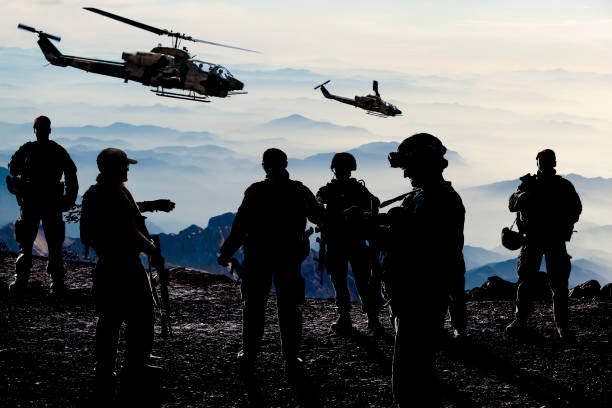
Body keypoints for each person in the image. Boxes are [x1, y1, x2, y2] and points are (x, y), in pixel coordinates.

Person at [217, 148, 321, 403]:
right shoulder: (299, 190)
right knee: (289, 307)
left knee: (253, 306)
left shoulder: (256, 191)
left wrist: (226, 252)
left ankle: (250, 354)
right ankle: (291, 356)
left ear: (265, 166)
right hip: (289, 257)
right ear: (285, 164)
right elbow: (319, 217)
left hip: (258, 257)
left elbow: (240, 226)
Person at [379, 133, 466, 407]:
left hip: (421, 296)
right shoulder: (425, 197)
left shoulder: (437, 201)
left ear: (423, 165)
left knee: (409, 375)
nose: (405, 173)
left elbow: (415, 244)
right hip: (412, 294)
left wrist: (376, 228)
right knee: (419, 370)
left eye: (409, 167)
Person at [80, 148, 160, 406]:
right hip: (126, 266)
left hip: (106, 266)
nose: (128, 170)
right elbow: (129, 229)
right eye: (124, 166)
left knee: (109, 320)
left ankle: (105, 370)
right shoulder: (116, 194)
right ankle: (134, 370)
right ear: (115, 168)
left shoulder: (92, 194)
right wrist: (150, 248)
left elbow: (87, 234)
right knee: (142, 318)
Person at [505, 149, 581, 339]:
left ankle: (559, 325)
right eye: (543, 160)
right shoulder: (530, 184)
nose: (545, 164)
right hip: (535, 238)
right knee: (531, 282)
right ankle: (524, 321)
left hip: (550, 239)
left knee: (556, 283)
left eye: (547, 161)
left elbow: (575, 209)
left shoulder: (561, 185)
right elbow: (512, 204)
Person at [6, 115, 78, 295]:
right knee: (49, 243)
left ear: (36, 130)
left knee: (29, 241)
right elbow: (71, 174)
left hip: (33, 201)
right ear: (49, 130)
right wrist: (68, 199)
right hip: (49, 202)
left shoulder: (28, 149)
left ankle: (23, 279)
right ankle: (56, 282)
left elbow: (13, 169)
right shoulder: (57, 150)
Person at [316, 152, 383, 334]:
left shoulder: (330, 190)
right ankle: (371, 318)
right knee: (360, 280)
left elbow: (318, 206)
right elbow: (374, 203)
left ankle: (347, 317)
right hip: (354, 241)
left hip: (340, 242)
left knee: (342, 279)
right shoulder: (358, 190)